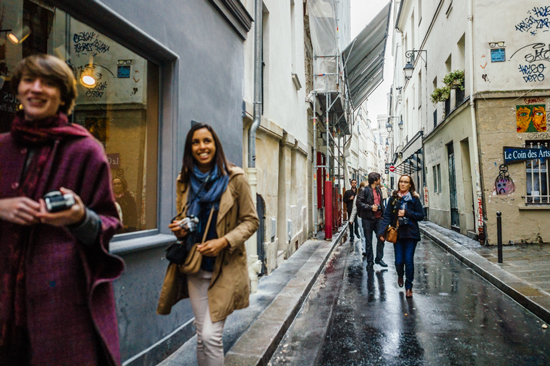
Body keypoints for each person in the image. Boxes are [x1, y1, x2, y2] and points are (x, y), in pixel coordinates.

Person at [0, 54, 124, 365]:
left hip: (60, 304)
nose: (36, 89)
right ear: (18, 89)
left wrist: (81, 218)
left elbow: (108, 222)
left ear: (63, 96)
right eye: (29, 81)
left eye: (49, 83)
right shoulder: (2, 147)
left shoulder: (86, 151)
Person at [157, 122, 259, 366]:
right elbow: (185, 218)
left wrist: (224, 241)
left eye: (206, 141)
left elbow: (251, 220)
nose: (201, 146)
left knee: (211, 336)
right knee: (202, 336)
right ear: (190, 148)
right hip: (195, 267)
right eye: (195, 142)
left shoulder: (235, 178)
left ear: (215, 145)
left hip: (225, 267)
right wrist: (179, 227)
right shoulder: (185, 180)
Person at [379, 174, 424, 298]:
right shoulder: (393, 199)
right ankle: (400, 274)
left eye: (406, 182)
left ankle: (409, 287)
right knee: (399, 261)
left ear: (410, 185)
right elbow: (387, 215)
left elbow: (421, 215)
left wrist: (407, 212)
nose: (403, 184)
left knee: (408, 260)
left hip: (411, 233)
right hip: (397, 234)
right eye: (401, 182)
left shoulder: (414, 199)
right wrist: (382, 231)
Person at [357, 172, 386, 269]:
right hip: (368, 219)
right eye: (379, 179)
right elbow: (359, 203)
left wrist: (384, 216)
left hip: (379, 218)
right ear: (375, 180)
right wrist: (370, 207)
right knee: (368, 241)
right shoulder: (363, 190)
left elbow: (381, 203)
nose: (380, 180)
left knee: (381, 238)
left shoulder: (378, 189)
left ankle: (379, 258)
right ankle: (370, 262)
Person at [348, 181, 367, 253]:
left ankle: (366, 248)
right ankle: (364, 248)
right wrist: (351, 219)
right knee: (362, 233)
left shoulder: (369, 195)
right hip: (360, 217)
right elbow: (354, 208)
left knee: (367, 234)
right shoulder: (357, 196)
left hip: (368, 218)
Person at [343, 179, 360, 243]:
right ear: (351, 184)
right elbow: (344, 200)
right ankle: (351, 236)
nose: (354, 184)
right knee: (351, 222)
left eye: (355, 183)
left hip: (356, 209)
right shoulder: (348, 192)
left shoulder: (358, 192)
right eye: (353, 183)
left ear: (356, 184)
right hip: (350, 209)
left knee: (356, 222)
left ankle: (356, 232)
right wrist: (349, 199)